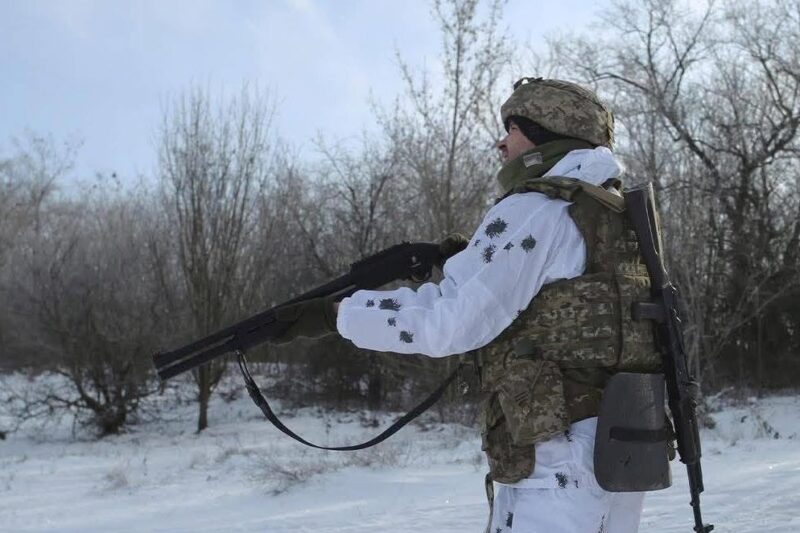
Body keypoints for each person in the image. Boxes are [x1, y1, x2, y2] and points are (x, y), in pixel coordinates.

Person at [275, 78, 664, 532]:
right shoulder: (612, 212)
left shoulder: (537, 207)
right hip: (622, 446)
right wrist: (470, 261)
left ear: (547, 135)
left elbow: (450, 320)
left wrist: (340, 315)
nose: (502, 143)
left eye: (513, 129)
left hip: (558, 459)